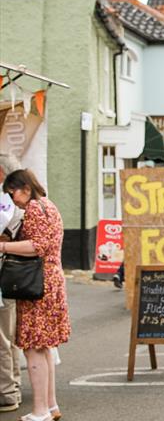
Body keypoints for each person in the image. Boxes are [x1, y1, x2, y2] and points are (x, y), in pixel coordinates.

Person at [1, 170, 70, 421]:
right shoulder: (48, 206)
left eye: (13, 192)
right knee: (44, 346)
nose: (13, 199)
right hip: (51, 280)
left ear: (26, 189)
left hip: (37, 284)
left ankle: (40, 410)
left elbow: (37, 246)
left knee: (33, 348)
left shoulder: (34, 209)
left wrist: (4, 246)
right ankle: (50, 407)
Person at [0, 154, 23, 414]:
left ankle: (7, 393)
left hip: (5, 273)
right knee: (8, 337)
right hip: (12, 275)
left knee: (4, 338)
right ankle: (12, 386)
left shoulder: (9, 205)